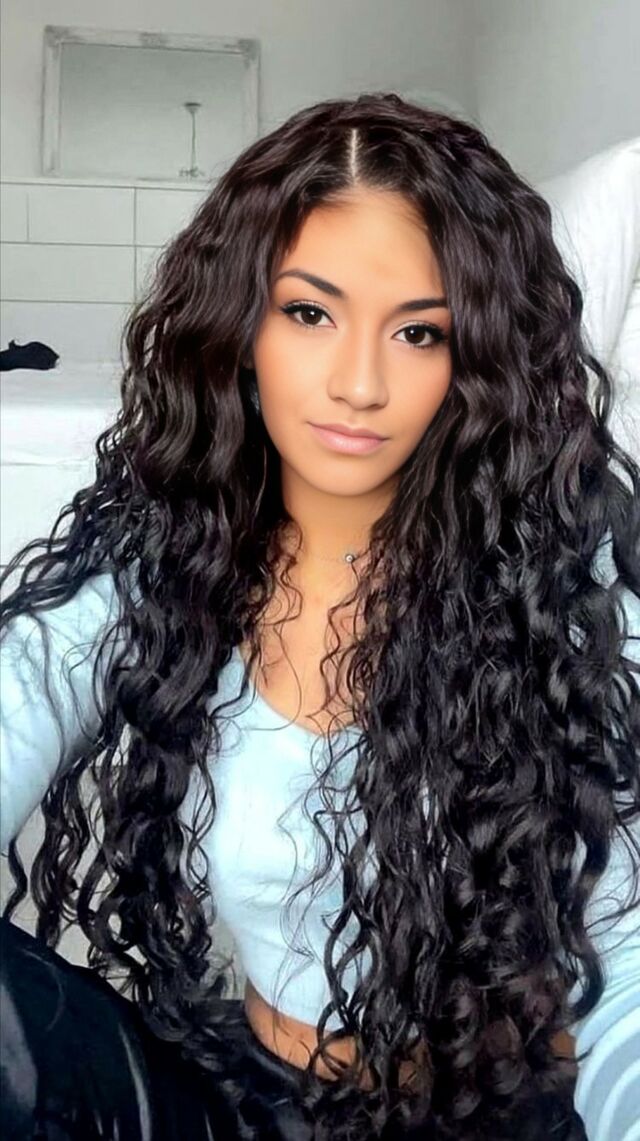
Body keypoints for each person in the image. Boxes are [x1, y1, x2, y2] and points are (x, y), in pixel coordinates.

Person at [1, 91, 639, 1141]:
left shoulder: (571, 582)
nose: (358, 383)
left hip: (499, 1112)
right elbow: (21, 688)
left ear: (476, 358)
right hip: (246, 1099)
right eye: (309, 313)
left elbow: (625, 965)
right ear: (240, 325)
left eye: (419, 332)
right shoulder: (168, 559)